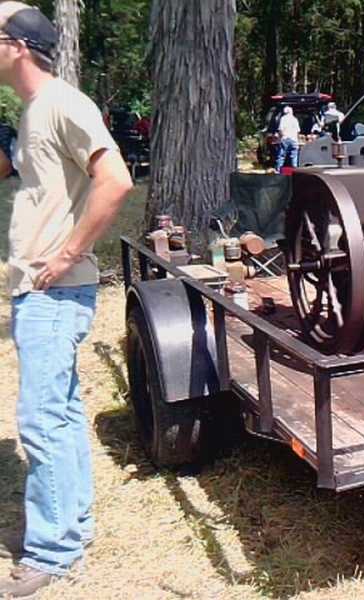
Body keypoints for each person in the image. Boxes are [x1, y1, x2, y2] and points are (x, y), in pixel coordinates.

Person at [0, 3, 133, 597]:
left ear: (18, 46)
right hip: (42, 290)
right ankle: (72, 527)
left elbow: (116, 179)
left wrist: (66, 254)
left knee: (40, 419)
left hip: (54, 290)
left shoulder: (62, 103)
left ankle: (52, 551)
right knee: (60, 412)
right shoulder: (34, 110)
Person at [275, 105, 300, 172]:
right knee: (294, 157)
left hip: (285, 139)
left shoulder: (283, 119)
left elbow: (280, 130)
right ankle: (295, 172)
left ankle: (278, 171)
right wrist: (297, 140)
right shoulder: (295, 119)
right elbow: (298, 131)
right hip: (294, 140)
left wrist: (280, 138)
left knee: (281, 156)